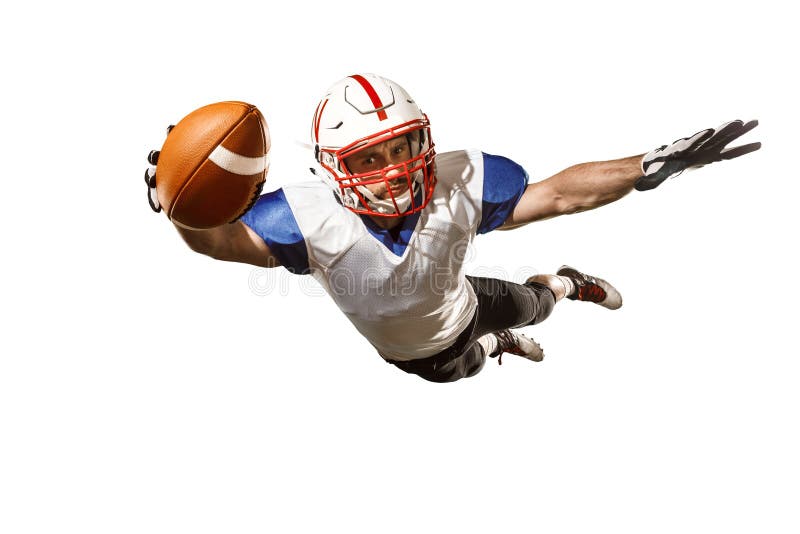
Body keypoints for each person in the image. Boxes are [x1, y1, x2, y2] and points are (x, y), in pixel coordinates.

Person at [145, 73, 760, 383]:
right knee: (455, 373)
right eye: (368, 158)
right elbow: (220, 240)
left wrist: (646, 167)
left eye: (403, 146)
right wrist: (181, 205)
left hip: (465, 303)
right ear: (334, 167)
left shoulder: (460, 177)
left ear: (425, 137)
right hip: (404, 353)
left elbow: (558, 195)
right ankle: (497, 350)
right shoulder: (301, 216)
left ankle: (567, 284)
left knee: (535, 307)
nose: (391, 169)